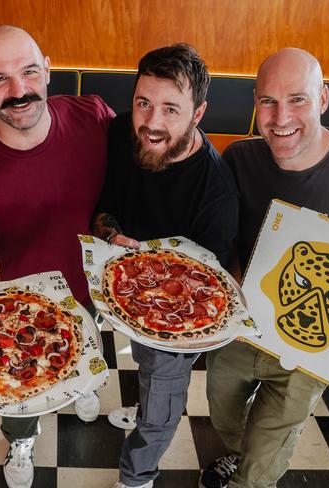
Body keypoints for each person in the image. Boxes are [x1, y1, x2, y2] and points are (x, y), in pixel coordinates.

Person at [0, 25, 114, 488]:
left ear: (48, 71)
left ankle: (84, 383)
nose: (19, 92)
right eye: (0, 79)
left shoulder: (95, 116)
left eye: (29, 72)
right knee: (19, 397)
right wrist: (3, 340)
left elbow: (132, 183)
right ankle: (21, 435)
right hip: (20, 315)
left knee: (89, 353)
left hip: (95, 294)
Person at [199, 48, 329, 488]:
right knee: (224, 413)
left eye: (298, 99)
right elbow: (223, 243)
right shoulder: (239, 160)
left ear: (323, 99)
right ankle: (239, 453)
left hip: (310, 353)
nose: (280, 116)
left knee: (267, 451)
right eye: (268, 101)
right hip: (242, 327)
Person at [92, 44, 238, 488]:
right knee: (139, 358)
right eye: (143, 103)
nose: (151, 123)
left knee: (161, 401)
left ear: (198, 113)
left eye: (171, 109)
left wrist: (160, 299)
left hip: (179, 318)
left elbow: (207, 295)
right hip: (124, 288)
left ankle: (137, 479)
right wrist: (111, 235)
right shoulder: (123, 133)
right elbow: (105, 207)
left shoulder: (216, 193)